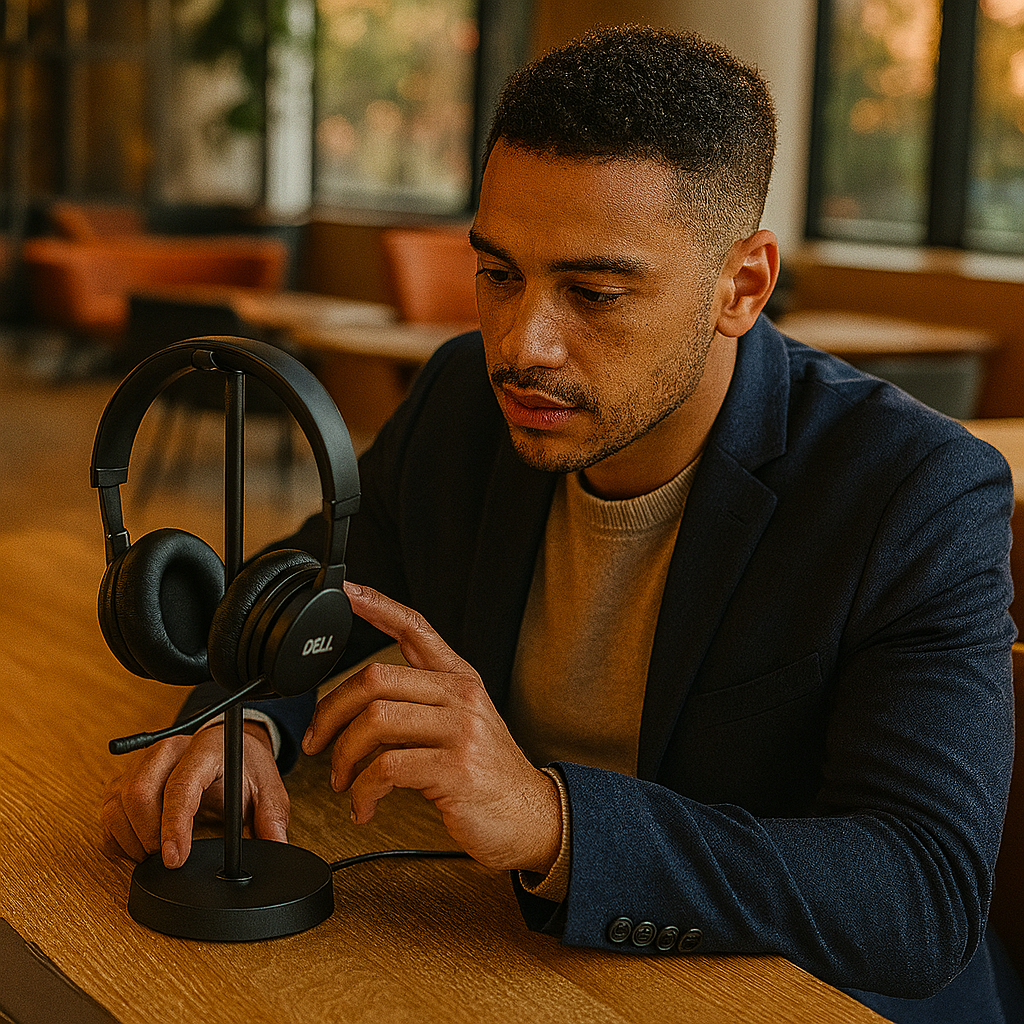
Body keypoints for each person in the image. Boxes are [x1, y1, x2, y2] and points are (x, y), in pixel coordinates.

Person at [100, 25, 1021, 1023]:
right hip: (523, 966)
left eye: (594, 292)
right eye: (499, 274)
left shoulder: (913, 492)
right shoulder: (463, 399)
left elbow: (920, 894)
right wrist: (243, 721)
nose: (522, 344)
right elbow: (313, 589)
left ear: (742, 286)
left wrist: (552, 822)